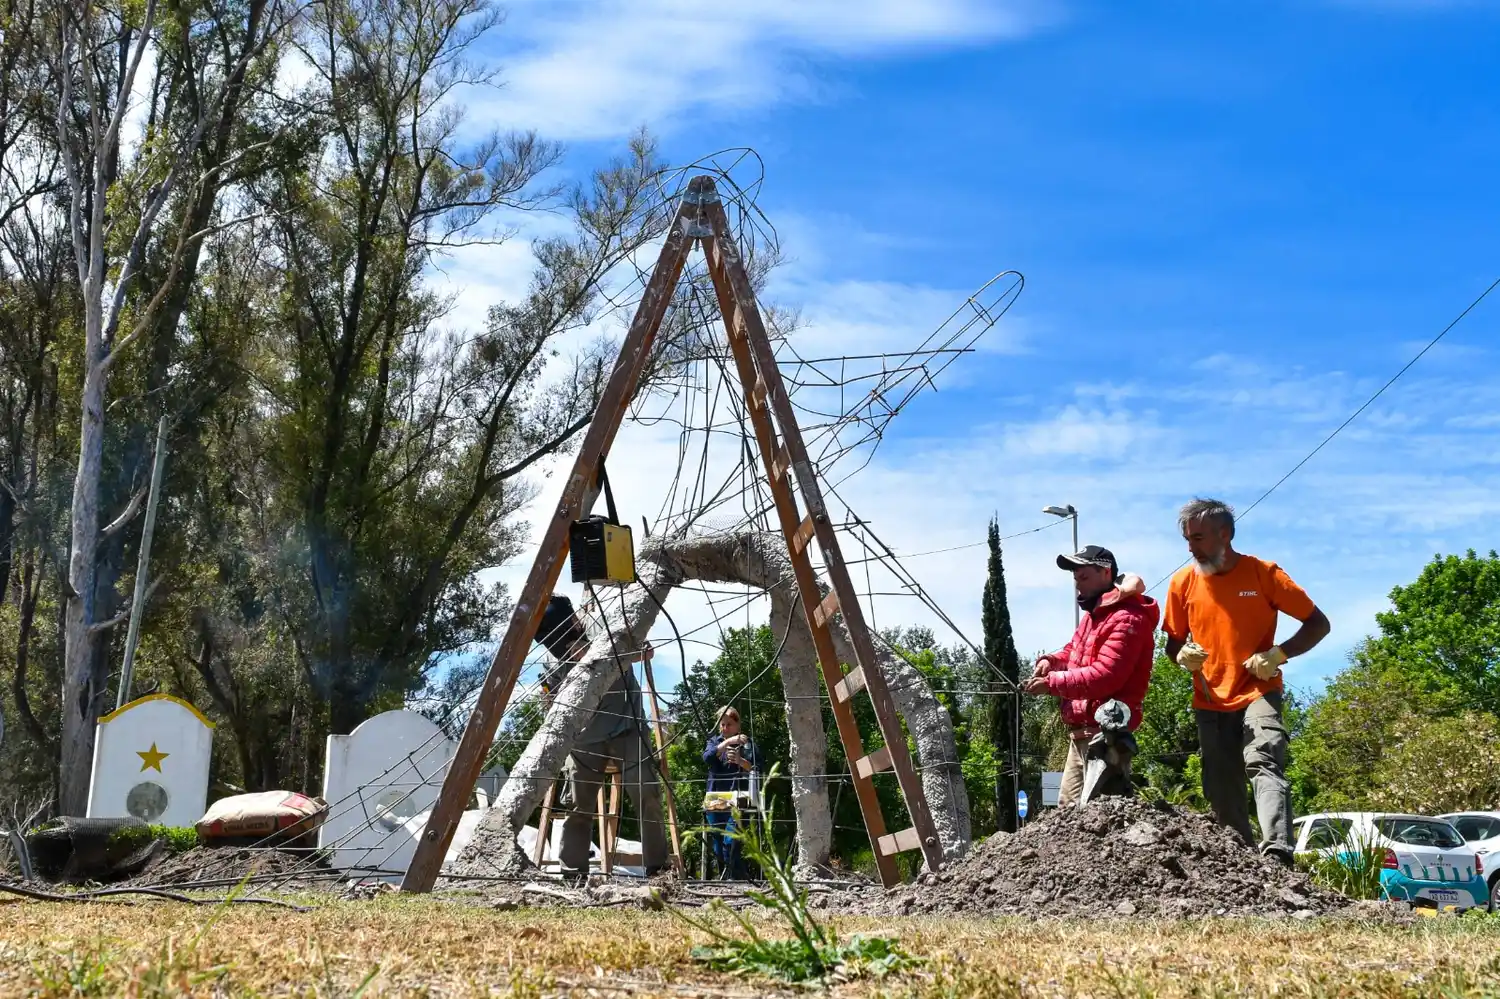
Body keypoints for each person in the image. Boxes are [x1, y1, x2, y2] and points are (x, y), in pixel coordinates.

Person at [1163, 498, 1330, 865]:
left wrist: (1278, 654)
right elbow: (1171, 643)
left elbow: (1319, 624)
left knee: (1264, 759)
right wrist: (1179, 656)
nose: (1190, 547)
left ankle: (1277, 856)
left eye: (1198, 538)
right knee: (1220, 788)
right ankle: (1241, 863)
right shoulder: (1182, 582)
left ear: (1225, 534)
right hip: (1209, 698)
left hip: (1259, 690)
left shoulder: (1263, 574)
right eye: (1187, 539)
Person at [534, 593, 669, 879]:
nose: (560, 647)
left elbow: (646, 651)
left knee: (646, 792)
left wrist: (597, 656)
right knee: (577, 805)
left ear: (573, 620)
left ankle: (658, 870)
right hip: (584, 739)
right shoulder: (551, 660)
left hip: (627, 726)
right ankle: (573, 874)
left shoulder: (605, 628)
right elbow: (549, 704)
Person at [1024, 546, 1159, 807]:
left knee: (1100, 819)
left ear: (1106, 572)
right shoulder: (1093, 617)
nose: (1077, 586)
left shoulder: (1128, 618)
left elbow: (1105, 676)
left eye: (1083, 577)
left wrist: (1051, 683)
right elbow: (1074, 651)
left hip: (1106, 738)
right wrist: (1050, 661)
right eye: (1075, 578)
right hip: (1082, 735)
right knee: (1068, 816)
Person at [701, 706, 761, 878]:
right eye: (722, 725)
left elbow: (758, 769)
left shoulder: (748, 746)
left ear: (738, 725)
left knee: (731, 841)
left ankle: (733, 880)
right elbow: (707, 758)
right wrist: (726, 742)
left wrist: (741, 761)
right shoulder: (714, 742)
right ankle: (736, 878)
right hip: (714, 798)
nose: (725, 728)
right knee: (718, 846)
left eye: (729, 724)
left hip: (738, 799)